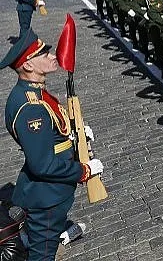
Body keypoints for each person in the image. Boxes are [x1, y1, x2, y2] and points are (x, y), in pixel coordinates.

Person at [3, 30, 104, 261]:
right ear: (28, 65)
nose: (51, 56)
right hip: (46, 198)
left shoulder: (36, 92)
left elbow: (52, 131)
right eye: (43, 54)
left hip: (51, 193)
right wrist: (84, 170)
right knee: (42, 255)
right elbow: (42, 164)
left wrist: (75, 133)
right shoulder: (31, 108)